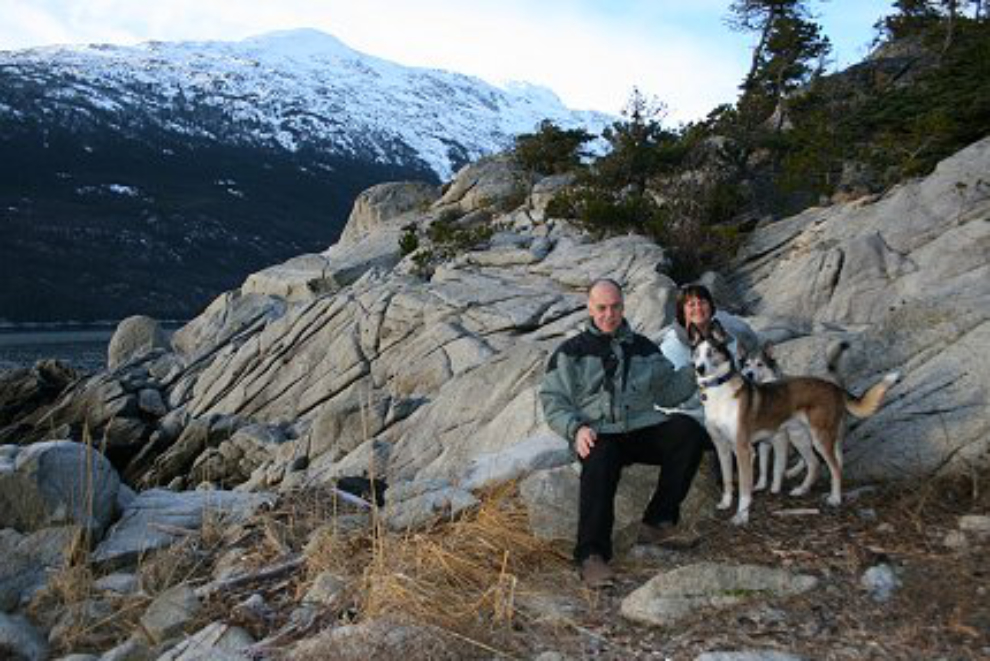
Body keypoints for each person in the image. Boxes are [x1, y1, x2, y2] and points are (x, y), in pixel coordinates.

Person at [539, 278, 709, 587]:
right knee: (599, 458)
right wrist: (575, 429)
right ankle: (592, 555)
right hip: (599, 432)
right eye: (601, 308)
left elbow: (669, 393)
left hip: (642, 427)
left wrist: (697, 366)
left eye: (615, 307)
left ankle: (657, 524)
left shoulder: (643, 347)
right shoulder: (570, 352)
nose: (609, 314)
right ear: (589, 307)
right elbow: (553, 401)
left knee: (687, 430)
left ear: (623, 306)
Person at [659, 283, 759, 420]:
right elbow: (673, 398)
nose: (698, 308)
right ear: (682, 312)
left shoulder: (726, 336)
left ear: (711, 307)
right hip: (690, 416)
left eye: (702, 302)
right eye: (691, 305)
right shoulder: (671, 348)